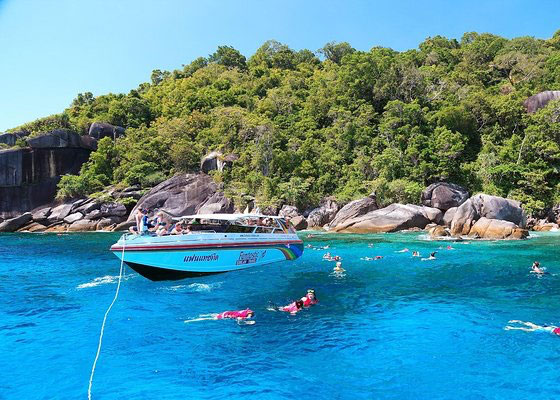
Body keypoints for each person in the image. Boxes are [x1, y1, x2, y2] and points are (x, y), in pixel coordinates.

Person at [185, 308, 255, 324]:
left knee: (215, 315)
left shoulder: (247, 310)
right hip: (226, 315)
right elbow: (240, 320)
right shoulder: (247, 314)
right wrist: (247, 321)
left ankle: (202, 315)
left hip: (227, 312)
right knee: (209, 319)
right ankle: (191, 320)